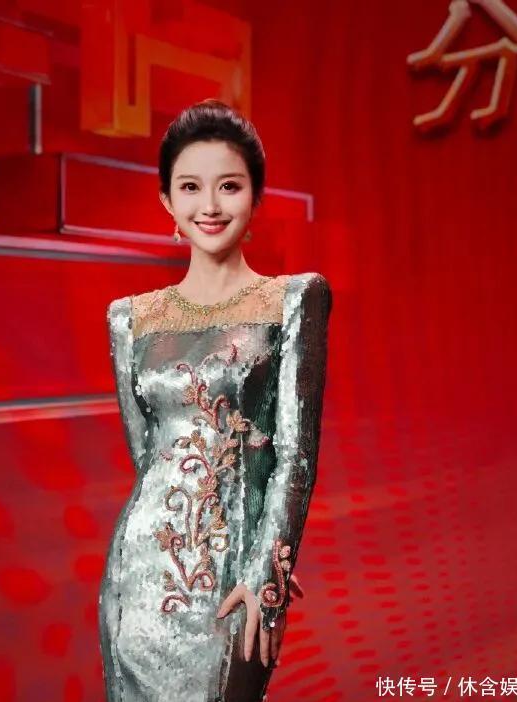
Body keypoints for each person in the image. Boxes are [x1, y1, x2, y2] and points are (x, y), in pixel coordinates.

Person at [98, 98, 332, 702]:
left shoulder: (292, 300)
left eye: (229, 186)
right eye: (190, 187)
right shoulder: (131, 319)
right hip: (138, 579)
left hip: (236, 587)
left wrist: (268, 569)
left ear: (256, 196)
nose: (210, 205)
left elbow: (295, 458)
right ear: (166, 201)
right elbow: (147, 460)